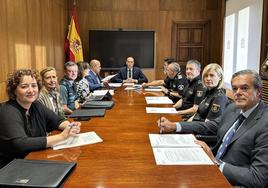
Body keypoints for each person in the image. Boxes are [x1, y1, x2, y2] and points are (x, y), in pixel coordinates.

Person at [157, 70, 268, 187]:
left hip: (232, 182)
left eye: (244, 88)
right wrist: (175, 126)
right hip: (212, 167)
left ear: (259, 91)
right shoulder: (233, 108)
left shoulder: (265, 122)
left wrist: (216, 163)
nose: (238, 93)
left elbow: (258, 178)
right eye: (235, 89)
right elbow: (210, 126)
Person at [0, 69, 81, 167]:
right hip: (12, 167)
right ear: (14, 90)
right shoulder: (7, 111)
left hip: (35, 160)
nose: (31, 90)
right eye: (24, 86)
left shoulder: (36, 105)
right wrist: (61, 137)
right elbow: (20, 143)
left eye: (34, 86)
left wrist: (71, 126)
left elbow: (56, 120)